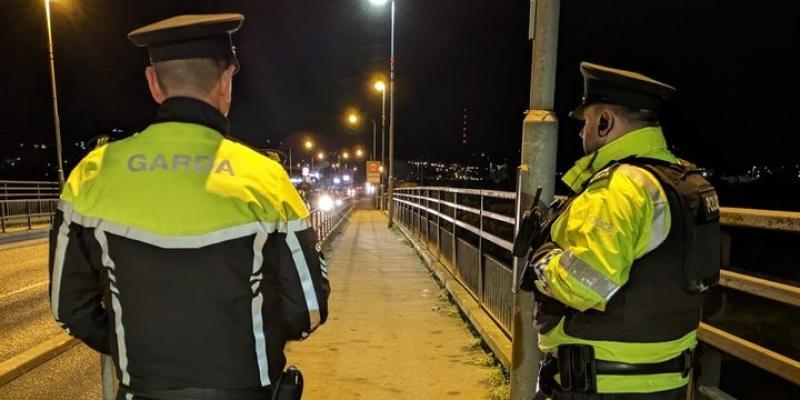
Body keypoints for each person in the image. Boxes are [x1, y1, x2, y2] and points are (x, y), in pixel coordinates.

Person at [48, 13, 329, 399]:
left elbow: (69, 309)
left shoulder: (91, 175)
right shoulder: (267, 179)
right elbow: (307, 310)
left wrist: (134, 348)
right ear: (227, 81)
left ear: (153, 83)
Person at [519, 62, 720, 399]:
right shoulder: (683, 182)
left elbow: (588, 283)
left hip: (602, 383)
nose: (581, 133)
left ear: (604, 121)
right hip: (667, 379)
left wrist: (544, 260)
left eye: (585, 123)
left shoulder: (618, 187)